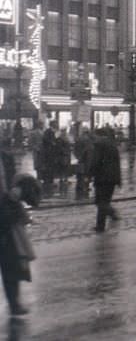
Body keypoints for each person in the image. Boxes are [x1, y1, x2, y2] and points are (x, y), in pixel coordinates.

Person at [0, 144, 41, 316]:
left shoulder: (5, 157)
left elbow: (13, 181)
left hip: (5, 216)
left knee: (11, 263)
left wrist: (17, 191)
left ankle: (14, 303)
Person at [89, 128, 121, 233]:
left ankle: (105, 220)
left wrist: (89, 174)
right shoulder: (113, 145)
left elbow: (95, 161)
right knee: (105, 201)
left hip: (102, 177)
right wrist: (118, 179)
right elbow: (117, 163)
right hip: (112, 178)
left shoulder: (98, 144)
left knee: (100, 202)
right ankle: (103, 222)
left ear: (98, 135)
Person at [73, 127, 94, 199]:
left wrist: (78, 157)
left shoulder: (78, 139)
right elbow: (89, 151)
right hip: (87, 160)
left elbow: (75, 150)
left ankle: (79, 189)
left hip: (80, 160)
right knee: (86, 175)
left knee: (80, 176)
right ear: (87, 132)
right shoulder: (88, 140)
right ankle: (85, 188)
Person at [41, 120, 58, 196]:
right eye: (55, 124)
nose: (56, 125)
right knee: (48, 167)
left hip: (52, 153)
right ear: (52, 124)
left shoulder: (53, 132)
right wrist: (52, 142)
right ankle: (47, 182)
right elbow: (45, 140)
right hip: (48, 153)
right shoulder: (48, 131)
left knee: (51, 167)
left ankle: (50, 181)